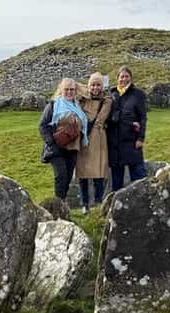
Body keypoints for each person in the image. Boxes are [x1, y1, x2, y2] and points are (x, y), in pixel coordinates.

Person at [39, 78, 89, 200]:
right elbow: (43, 126)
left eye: (72, 89)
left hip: (72, 148)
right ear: (61, 90)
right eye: (66, 89)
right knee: (60, 177)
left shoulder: (78, 107)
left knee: (67, 178)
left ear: (75, 91)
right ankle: (58, 206)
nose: (69, 92)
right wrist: (52, 141)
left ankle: (62, 203)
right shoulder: (53, 105)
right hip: (56, 149)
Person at [76, 72, 112, 215]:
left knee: (98, 173)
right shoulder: (82, 100)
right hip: (83, 139)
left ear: (102, 86)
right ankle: (85, 203)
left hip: (97, 139)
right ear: (88, 86)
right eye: (93, 85)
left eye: (98, 85)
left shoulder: (106, 101)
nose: (95, 88)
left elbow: (101, 119)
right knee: (83, 174)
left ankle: (98, 202)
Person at [107, 66, 147, 192]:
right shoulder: (112, 94)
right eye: (121, 76)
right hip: (115, 142)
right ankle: (114, 204)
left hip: (131, 140)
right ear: (117, 78)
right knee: (116, 180)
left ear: (130, 78)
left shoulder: (138, 94)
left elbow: (143, 118)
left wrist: (140, 138)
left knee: (138, 176)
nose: (124, 79)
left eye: (126, 76)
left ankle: (143, 200)